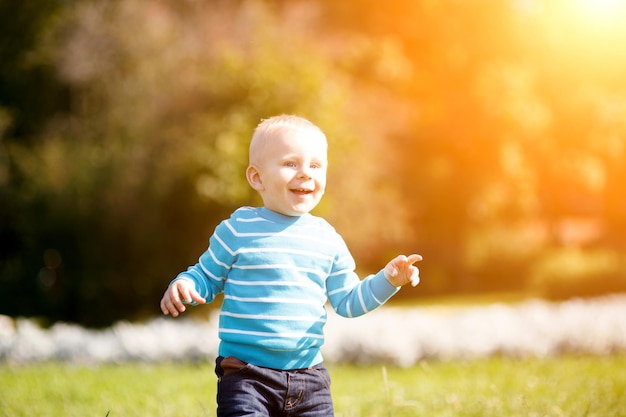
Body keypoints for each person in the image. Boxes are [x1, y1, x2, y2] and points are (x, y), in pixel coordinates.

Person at [160, 114, 422, 417]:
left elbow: (349, 301)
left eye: (315, 165)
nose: (305, 174)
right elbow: (206, 275)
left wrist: (388, 280)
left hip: (310, 379)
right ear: (257, 177)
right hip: (247, 376)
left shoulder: (327, 238)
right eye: (290, 164)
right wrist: (187, 283)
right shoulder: (238, 229)